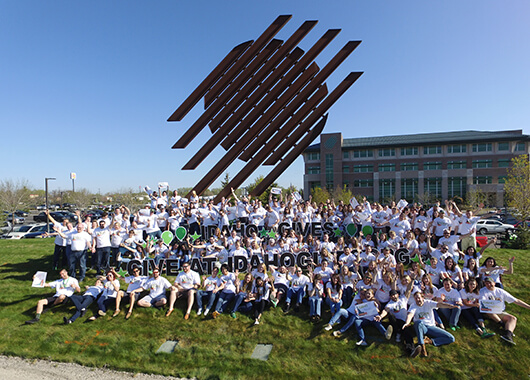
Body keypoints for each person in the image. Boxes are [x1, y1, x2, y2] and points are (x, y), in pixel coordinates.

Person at [402, 291, 457, 358]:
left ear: (422, 298)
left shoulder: (428, 302)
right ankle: (422, 347)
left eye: (419, 298)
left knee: (451, 338)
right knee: (418, 323)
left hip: (431, 326)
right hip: (421, 327)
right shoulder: (413, 305)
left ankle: (430, 341)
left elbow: (439, 305)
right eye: (416, 298)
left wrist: (449, 306)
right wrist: (407, 323)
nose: (417, 300)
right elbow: (410, 314)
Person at [479, 276, 530, 345]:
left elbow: (516, 300)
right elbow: (483, 304)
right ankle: (502, 325)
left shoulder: (500, 291)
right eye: (486, 283)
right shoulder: (482, 291)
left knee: (513, 318)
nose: (488, 285)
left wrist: (528, 307)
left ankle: (508, 335)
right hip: (488, 311)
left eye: (490, 283)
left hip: (500, 311)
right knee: (489, 310)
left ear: (494, 283)